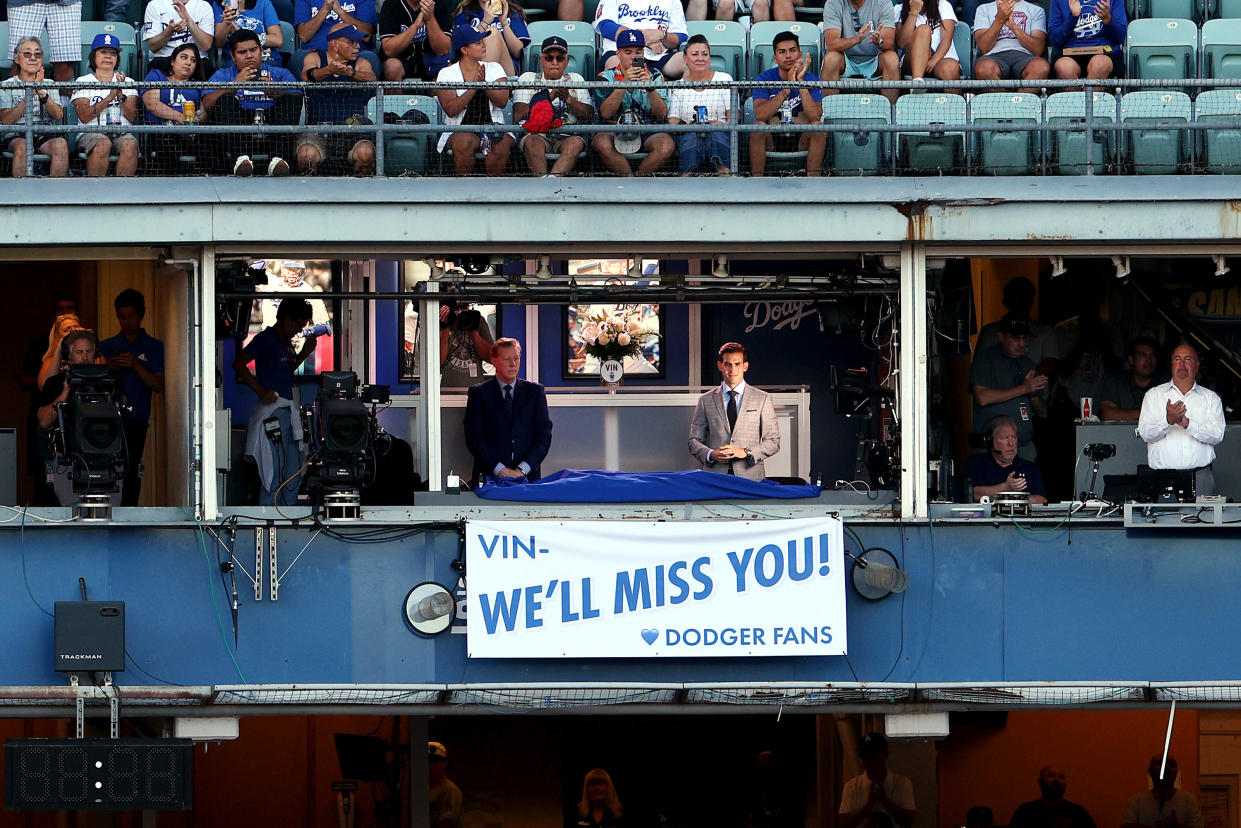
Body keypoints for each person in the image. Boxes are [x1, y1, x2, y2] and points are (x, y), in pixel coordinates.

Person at [233, 297, 318, 506]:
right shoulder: (266, 338)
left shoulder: (285, 343)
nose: (299, 331)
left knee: (293, 474)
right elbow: (239, 364)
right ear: (286, 318)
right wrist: (261, 390)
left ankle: (288, 523)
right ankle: (267, 523)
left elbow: (284, 372)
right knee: (274, 473)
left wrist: (304, 354)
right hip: (273, 413)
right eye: (298, 325)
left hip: (289, 414)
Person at [35, 330, 121, 507]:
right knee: (70, 519)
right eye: (79, 352)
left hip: (106, 458)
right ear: (70, 355)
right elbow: (43, 421)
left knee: (109, 518)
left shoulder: (110, 381)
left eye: (89, 352)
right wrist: (66, 391)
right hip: (69, 460)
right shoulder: (55, 383)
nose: (85, 357)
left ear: (96, 353)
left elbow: (122, 413)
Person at [203, 29, 304, 176]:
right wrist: (234, 85)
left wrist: (273, 91)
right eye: (242, 52)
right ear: (232, 55)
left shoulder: (279, 73)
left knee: (289, 98)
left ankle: (278, 160)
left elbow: (297, 99)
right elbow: (207, 103)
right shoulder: (223, 74)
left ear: (261, 51)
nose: (249, 56)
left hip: (273, 119)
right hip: (239, 122)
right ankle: (241, 160)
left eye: (253, 50)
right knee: (224, 99)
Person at [98, 289, 164, 507]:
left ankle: (129, 516)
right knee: (103, 467)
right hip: (106, 419)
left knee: (132, 468)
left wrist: (135, 365)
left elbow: (158, 385)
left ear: (141, 315)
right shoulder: (106, 346)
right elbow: (92, 380)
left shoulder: (154, 347)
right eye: (121, 317)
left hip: (137, 419)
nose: (126, 322)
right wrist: (109, 367)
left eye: (131, 316)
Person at [1137, 342, 1225, 497]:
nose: (1182, 364)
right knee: (1160, 521)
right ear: (1171, 364)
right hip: (1162, 480)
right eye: (1177, 359)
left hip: (1200, 478)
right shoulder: (1154, 395)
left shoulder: (1210, 398)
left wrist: (1187, 423)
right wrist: (1168, 421)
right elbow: (1146, 434)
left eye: (1188, 359)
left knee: (1204, 520)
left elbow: (1217, 435)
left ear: (1197, 365)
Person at [463, 337, 553, 485]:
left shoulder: (535, 392)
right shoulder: (479, 393)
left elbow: (543, 437)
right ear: (494, 361)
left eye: (516, 358)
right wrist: (500, 470)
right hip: (489, 478)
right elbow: (474, 438)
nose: (513, 364)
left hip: (527, 478)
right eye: (507, 359)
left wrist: (521, 470)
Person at [688, 342, 781, 481]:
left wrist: (745, 452)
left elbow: (773, 441)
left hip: (751, 477)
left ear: (745, 366)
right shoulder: (705, 400)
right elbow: (694, 441)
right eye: (728, 364)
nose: (733, 369)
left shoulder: (762, 398)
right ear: (720, 366)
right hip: (715, 477)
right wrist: (711, 454)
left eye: (737, 364)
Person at [435, 24, 516, 176]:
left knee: (500, 144)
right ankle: (465, 192)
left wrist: (484, 85)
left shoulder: (495, 68)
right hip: (459, 130)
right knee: (463, 142)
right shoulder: (446, 73)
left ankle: (494, 192)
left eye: (482, 41)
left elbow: (503, 101)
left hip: (493, 128)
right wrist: (473, 87)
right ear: (464, 50)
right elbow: (451, 110)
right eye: (478, 43)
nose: (484, 45)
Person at [592, 29, 675, 176]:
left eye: (638, 52)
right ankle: (629, 179)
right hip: (614, 130)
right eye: (628, 52)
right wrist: (624, 84)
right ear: (618, 54)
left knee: (666, 145)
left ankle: (639, 179)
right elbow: (605, 113)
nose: (633, 57)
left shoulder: (655, 75)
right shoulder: (605, 77)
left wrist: (650, 89)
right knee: (601, 142)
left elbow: (661, 114)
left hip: (647, 130)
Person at [298, 23, 378, 176]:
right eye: (351, 42)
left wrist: (350, 74)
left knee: (366, 153)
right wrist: (329, 70)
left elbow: (372, 79)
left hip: (353, 131)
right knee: (306, 155)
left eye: (357, 42)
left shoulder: (361, 62)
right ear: (334, 44)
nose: (357, 46)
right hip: (317, 132)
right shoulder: (314, 57)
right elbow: (306, 75)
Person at [513, 35, 594, 177]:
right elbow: (518, 114)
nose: (554, 62)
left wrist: (568, 99)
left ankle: (551, 182)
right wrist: (548, 97)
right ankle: (544, 183)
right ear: (541, 60)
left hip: (568, 134)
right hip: (536, 133)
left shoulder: (576, 79)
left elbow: (589, 115)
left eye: (560, 58)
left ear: (567, 61)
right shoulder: (528, 78)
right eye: (549, 58)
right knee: (532, 141)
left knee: (575, 143)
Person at [969, 316, 1047, 460]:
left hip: (1023, 448)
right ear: (1001, 337)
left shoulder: (1028, 364)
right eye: (1015, 338)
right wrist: (1024, 388)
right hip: (989, 450)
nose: (1021, 343)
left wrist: (1032, 394)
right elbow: (982, 397)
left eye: (1024, 338)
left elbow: (1041, 410)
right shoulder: (985, 359)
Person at [750, 30, 824, 176]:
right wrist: (787, 88)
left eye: (792, 50)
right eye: (782, 52)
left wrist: (800, 82)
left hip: (801, 136)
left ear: (800, 54)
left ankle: (813, 181)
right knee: (757, 127)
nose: (788, 56)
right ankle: (756, 181)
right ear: (775, 58)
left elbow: (815, 116)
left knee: (818, 127)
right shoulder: (763, 79)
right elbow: (760, 115)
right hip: (773, 136)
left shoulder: (811, 79)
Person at [71, 34, 140, 178]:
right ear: (93, 56)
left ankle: (122, 195)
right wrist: (109, 98)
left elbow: (132, 115)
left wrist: (120, 95)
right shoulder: (83, 81)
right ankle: (96, 193)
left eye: (113, 53)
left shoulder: (127, 81)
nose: (108, 56)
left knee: (130, 145)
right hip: (90, 132)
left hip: (121, 132)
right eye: (103, 52)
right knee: (103, 143)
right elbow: (84, 116)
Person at [1, 38, 68, 178]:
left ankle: (56, 196)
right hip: (16, 135)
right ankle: (21, 196)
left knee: (60, 145)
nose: (33, 58)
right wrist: (31, 92)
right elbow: (7, 120)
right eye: (27, 54)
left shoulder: (49, 83)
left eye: (37, 54)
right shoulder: (6, 85)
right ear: (17, 59)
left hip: (45, 133)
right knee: (23, 147)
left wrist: (41, 91)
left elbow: (58, 115)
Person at [667, 34, 732, 176]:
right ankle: (688, 173)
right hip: (689, 133)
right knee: (690, 137)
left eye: (705, 54)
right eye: (695, 54)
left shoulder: (725, 79)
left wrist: (722, 125)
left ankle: (723, 170)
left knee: (716, 134)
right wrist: (689, 126)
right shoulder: (677, 86)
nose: (700, 58)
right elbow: (673, 122)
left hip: (719, 132)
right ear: (685, 59)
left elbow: (733, 116)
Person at [142, 43, 209, 173]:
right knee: (168, 139)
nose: (188, 63)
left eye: (193, 60)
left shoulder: (197, 85)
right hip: (161, 132)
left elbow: (204, 112)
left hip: (191, 133)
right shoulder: (157, 76)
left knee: (208, 140)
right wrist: (180, 117)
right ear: (172, 61)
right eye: (184, 57)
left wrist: (198, 118)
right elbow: (152, 104)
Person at [821, 0, 900, 104]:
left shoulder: (883, 2)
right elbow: (832, 44)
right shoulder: (833, 3)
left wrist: (879, 41)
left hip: (875, 60)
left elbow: (889, 43)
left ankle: (891, 114)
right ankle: (829, 112)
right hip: (846, 60)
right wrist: (856, 39)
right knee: (831, 59)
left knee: (891, 58)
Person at [839, 733, 917, 828]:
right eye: (864, 756)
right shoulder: (852, 787)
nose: (868, 760)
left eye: (872, 755)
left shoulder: (902, 784)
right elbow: (843, 824)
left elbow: (909, 821)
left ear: (884, 754)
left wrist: (884, 800)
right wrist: (869, 805)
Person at [594, 0, 687, 78]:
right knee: (618, 67)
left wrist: (663, 35)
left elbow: (681, 37)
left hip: (658, 57)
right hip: (623, 53)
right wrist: (646, 41)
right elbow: (606, 26)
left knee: (690, 61)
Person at [965, 416, 1047, 503]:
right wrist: (1005, 487)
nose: (1011, 444)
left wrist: (1010, 498)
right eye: (1004, 438)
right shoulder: (975, 463)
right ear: (990, 441)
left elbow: (1042, 500)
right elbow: (972, 494)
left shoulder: (1029, 468)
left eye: (1014, 438)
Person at [972, 0, 1050, 90]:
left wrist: (1013, 26)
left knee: (1041, 67)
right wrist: (1000, 19)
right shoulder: (983, 9)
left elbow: (1037, 50)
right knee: (984, 69)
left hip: (1026, 56)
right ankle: (1001, 102)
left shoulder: (1036, 10)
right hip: (993, 55)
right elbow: (984, 47)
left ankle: (1020, 102)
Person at [6, 0, 80, 85]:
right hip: (23, 2)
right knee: (20, 59)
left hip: (65, 2)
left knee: (64, 60)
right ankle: (15, 97)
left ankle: (62, 98)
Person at [1048, 0, 1126, 81]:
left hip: (1106, 53)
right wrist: (1072, 18)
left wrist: (1108, 20)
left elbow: (1119, 38)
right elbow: (1055, 40)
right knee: (1064, 67)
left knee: (1099, 64)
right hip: (1069, 53)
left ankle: (1091, 93)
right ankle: (1076, 94)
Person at [452, 0, 530, 79]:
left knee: (493, 33)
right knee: (491, 32)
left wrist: (504, 23)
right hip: (470, 67)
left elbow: (517, 52)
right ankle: (479, 83)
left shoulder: (511, 11)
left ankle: (478, 84)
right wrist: (485, 22)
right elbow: (461, 46)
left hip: (506, 69)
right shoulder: (465, 11)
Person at [379, 0, 451, 82]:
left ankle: (434, 95)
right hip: (401, 59)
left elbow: (443, 51)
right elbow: (389, 50)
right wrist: (415, 27)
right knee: (392, 68)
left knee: (444, 69)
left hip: (429, 58)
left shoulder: (439, 4)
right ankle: (396, 95)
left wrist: (430, 19)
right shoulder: (391, 4)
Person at [1121, 757, 1203, 828]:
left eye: (1171, 764)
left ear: (1176, 772)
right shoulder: (1137, 801)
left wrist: (1175, 826)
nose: (1166, 766)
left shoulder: (1189, 800)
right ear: (1150, 771)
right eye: (1160, 763)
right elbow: (1126, 826)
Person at [894, 0, 960, 84]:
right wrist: (913, 13)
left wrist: (933, 61)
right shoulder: (899, 8)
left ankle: (956, 97)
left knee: (950, 68)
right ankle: (917, 84)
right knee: (923, 30)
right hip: (911, 62)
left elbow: (947, 41)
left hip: (938, 60)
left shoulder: (943, 5)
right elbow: (901, 43)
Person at [1009, 766, 1097, 828]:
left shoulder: (1078, 812)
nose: (1057, 779)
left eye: (1061, 777)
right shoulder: (1025, 812)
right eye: (1051, 775)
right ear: (1040, 782)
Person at [1098, 336, 1159, 421]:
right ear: (1131, 360)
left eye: (1152, 355)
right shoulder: (1116, 381)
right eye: (1142, 355)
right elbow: (1107, 415)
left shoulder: (1166, 382)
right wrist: (1147, 413)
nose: (1148, 360)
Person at [143, 0, 215, 72]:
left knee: (207, 67)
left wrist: (188, 21)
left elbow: (206, 45)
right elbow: (153, 47)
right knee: (156, 67)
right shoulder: (155, 5)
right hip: (164, 58)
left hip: (196, 59)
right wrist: (170, 31)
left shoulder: (204, 6)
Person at [213, 0, 285, 66]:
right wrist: (226, 23)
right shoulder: (220, 5)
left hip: (265, 59)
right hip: (236, 62)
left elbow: (278, 40)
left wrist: (244, 35)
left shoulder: (263, 3)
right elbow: (219, 43)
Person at [440, 300, 494, 387]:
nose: (461, 312)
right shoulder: (442, 323)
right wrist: (445, 327)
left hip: (476, 388)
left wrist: (473, 333)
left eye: (465, 306)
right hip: (448, 389)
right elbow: (437, 362)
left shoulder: (478, 321)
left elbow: (491, 357)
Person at [296, 0, 376, 53]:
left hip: (355, 54)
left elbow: (366, 35)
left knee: (370, 57)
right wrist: (326, 8)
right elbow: (304, 36)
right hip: (316, 54)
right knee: (299, 58)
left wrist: (340, 11)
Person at [37, 313, 84, 391]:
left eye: (76, 327)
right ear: (57, 337)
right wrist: (60, 346)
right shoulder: (49, 361)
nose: (73, 332)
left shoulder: (94, 357)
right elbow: (44, 386)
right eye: (67, 330)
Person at [429, 742, 464, 828]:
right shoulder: (421, 789)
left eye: (434, 761)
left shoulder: (449, 790)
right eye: (426, 761)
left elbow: (446, 824)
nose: (430, 765)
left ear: (444, 763)